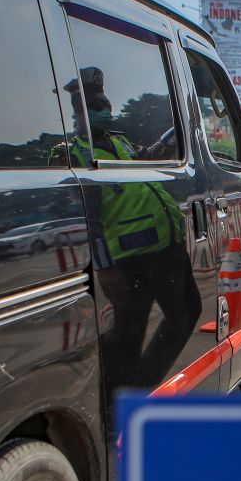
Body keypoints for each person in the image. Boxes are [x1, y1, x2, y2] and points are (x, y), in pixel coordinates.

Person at [58, 66, 199, 390]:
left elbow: (143, 159)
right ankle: (123, 396)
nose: (105, 110)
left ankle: (135, 387)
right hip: (129, 260)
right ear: (78, 113)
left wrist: (171, 135)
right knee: (130, 331)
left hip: (162, 248)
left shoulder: (119, 142)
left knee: (173, 317)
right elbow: (87, 220)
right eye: (95, 106)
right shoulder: (76, 153)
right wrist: (105, 268)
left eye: (105, 104)